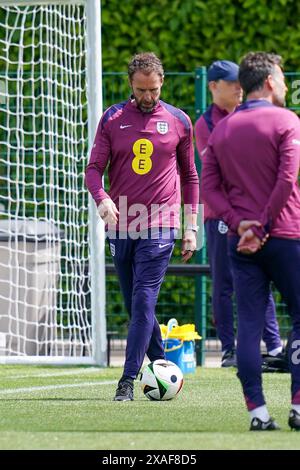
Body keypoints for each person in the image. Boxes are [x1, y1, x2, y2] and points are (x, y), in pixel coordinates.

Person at [85, 52, 199, 401]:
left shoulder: (179, 120)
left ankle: (126, 381)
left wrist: (190, 227)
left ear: (161, 83)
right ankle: (163, 366)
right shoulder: (112, 118)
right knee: (138, 306)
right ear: (130, 85)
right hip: (122, 221)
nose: (148, 97)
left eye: (153, 89)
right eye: (141, 90)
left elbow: (191, 176)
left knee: (144, 298)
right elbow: (93, 170)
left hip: (161, 224)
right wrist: (103, 200)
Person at [201, 51, 300, 431]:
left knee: (248, 326)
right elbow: (287, 180)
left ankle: (258, 414)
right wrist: (260, 225)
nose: (287, 85)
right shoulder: (287, 121)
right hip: (286, 236)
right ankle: (297, 407)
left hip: (240, 243)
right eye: (283, 77)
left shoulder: (221, 129)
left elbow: (209, 188)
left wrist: (240, 224)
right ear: (271, 81)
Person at [195, 60, 283, 368]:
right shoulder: (205, 124)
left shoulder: (251, 115)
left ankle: (274, 348)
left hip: (256, 213)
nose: (238, 87)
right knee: (223, 283)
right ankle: (228, 351)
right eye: (231, 82)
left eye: (239, 82)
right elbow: (219, 176)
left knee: (263, 276)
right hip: (221, 215)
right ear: (213, 86)